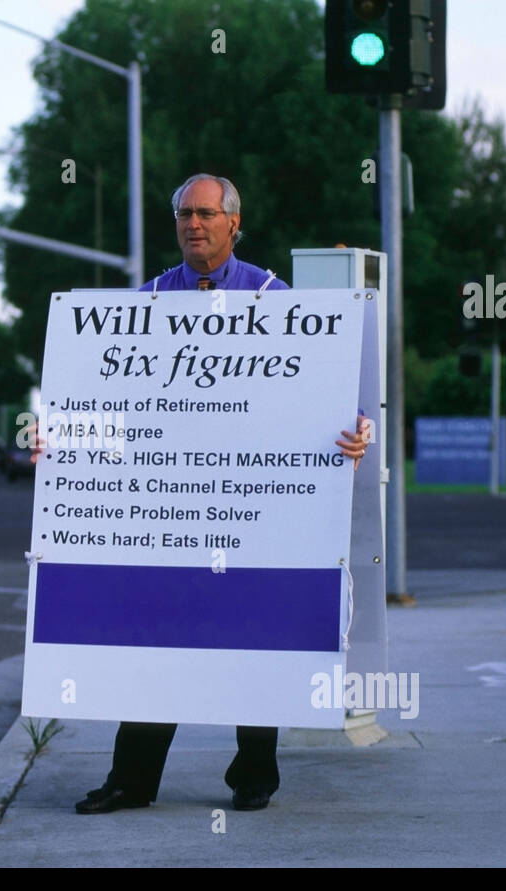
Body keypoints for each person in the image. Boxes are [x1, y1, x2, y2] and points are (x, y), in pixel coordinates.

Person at [75, 173, 371, 814]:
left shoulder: (273, 298)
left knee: (251, 637)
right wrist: (65, 439)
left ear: (235, 223)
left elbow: (320, 394)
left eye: (206, 213)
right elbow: (107, 395)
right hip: (174, 505)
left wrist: (354, 430)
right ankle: (132, 781)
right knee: (161, 641)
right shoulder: (147, 302)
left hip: (254, 505)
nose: (193, 224)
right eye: (184, 213)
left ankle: (254, 778)